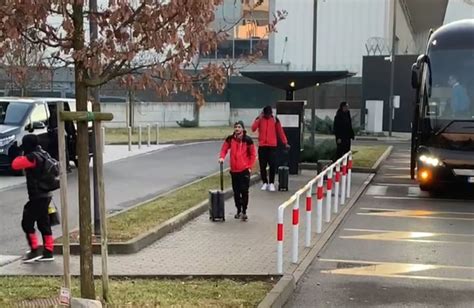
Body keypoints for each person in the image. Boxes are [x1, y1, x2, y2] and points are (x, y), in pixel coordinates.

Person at [11, 134, 55, 263]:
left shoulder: (32, 157)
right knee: (44, 224)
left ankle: (34, 250)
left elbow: (15, 165)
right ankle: (48, 251)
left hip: (37, 196)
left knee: (27, 222)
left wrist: (17, 153)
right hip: (46, 195)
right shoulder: (43, 154)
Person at [219, 121, 256, 221]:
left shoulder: (247, 140)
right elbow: (224, 149)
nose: (237, 129)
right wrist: (222, 157)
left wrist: (249, 167)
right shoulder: (230, 139)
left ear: (243, 129)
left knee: (244, 191)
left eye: (239, 127)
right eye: (235, 127)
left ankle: (244, 211)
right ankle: (238, 210)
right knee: (236, 192)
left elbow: (253, 154)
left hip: (244, 170)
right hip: (234, 170)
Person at [251, 105, 289, 192]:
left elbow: (280, 131)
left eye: (269, 114)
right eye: (266, 114)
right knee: (262, 165)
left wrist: (285, 142)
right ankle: (265, 182)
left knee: (272, 165)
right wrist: (258, 119)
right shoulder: (260, 119)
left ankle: (271, 183)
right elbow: (253, 128)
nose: (267, 116)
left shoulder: (275, 120)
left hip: (272, 146)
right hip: (262, 145)